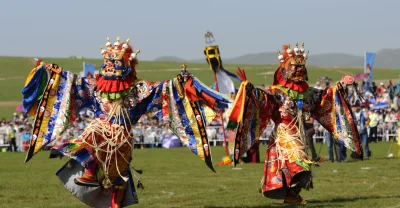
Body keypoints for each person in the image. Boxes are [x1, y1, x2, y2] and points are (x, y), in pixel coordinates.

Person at [21, 36, 232, 207]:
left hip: (122, 140)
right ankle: (89, 173)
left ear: (127, 66)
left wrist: (180, 82)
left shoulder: (140, 90)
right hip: (101, 134)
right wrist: (53, 73)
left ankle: (108, 194)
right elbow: (72, 82)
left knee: (118, 180)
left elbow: (165, 89)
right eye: (108, 63)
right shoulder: (95, 86)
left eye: (116, 63)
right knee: (91, 136)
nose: (111, 67)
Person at [227, 43, 363, 205]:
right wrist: (251, 90)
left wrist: (340, 85)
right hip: (284, 132)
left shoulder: (308, 93)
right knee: (299, 160)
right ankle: (292, 192)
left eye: (301, 66)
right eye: (295, 66)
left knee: (295, 163)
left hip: (298, 132)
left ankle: (292, 194)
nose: (299, 69)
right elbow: (263, 98)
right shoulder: (278, 91)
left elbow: (323, 97)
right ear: (285, 69)